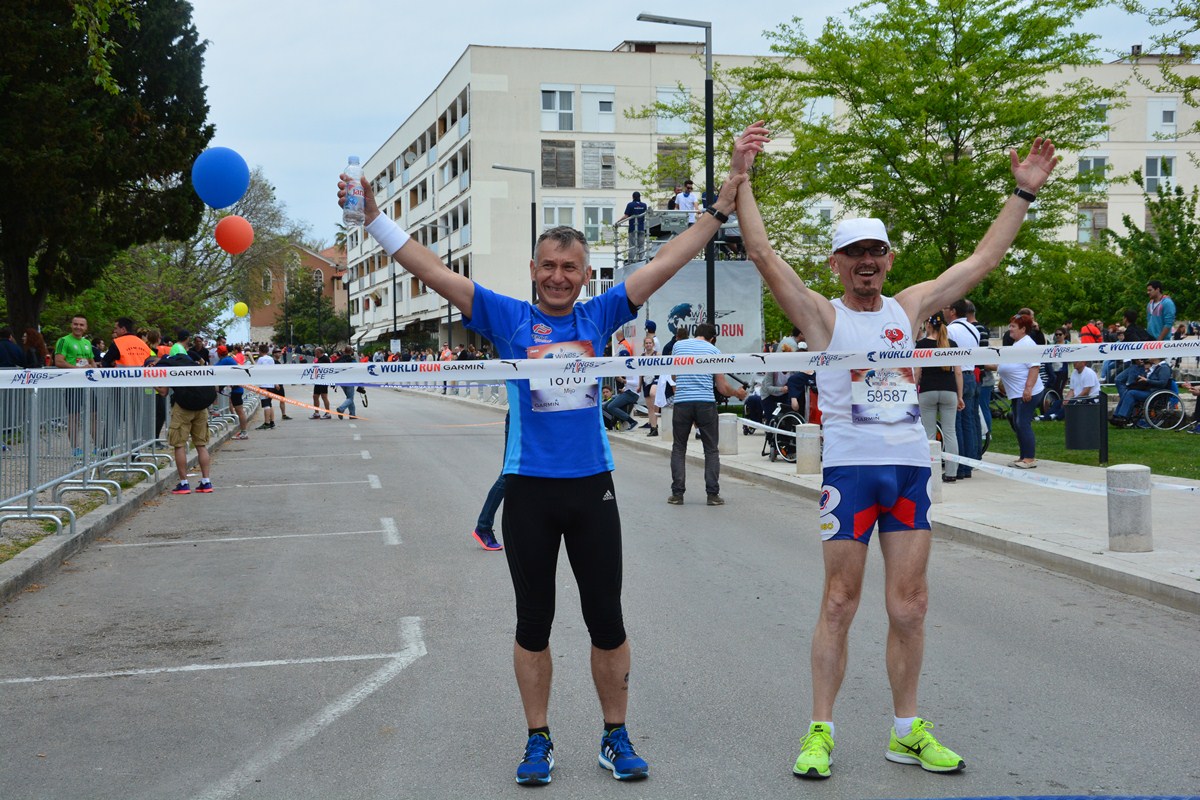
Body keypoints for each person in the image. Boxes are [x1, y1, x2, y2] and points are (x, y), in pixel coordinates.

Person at [341, 160, 745, 787]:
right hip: (529, 489)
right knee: (534, 622)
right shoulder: (507, 318)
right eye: (548, 267)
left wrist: (719, 210)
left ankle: (615, 736)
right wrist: (372, 220)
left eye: (570, 268)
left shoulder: (600, 316)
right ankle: (538, 740)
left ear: (586, 276)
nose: (559, 278)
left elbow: (666, 264)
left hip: (592, 489)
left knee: (606, 619)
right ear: (533, 271)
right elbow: (433, 270)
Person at [733, 120, 1057, 778]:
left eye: (876, 250)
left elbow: (981, 262)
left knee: (910, 604)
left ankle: (905, 730)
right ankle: (820, 731)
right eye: (854, 251)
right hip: (851, 475)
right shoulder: (824, 317)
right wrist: (741, 175)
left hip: (909, 470)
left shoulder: (908, 308)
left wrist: (1022, 194)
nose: (867, 261)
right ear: (836, 263)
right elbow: (764, 255)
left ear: (888, 259)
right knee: (838, 602)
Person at [667, 323, 748, 506]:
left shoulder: (678, 346)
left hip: (682, 401)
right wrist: (737, 393)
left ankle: (677, 494)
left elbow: (673, 377)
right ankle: (712, 495)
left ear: (696, 334)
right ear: (712, 338)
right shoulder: (714, 351)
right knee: (710, 449)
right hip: (705, 402)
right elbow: (721, 387)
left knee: (679, 448)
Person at [914, 313, 962, 483]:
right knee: (950, 432)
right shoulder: (952, 345)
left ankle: (930, 472)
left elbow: (918, 371)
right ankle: (951, 473)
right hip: (949, 391)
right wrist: (960, 395)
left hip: (928, 390)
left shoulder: (921, 345)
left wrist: (914, 389)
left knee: (929, 434)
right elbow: (957, 372)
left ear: (928, 325)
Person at [997, 313, 1046, 467]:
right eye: (1010, 326)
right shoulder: (1018, 344)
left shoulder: (1027, 344)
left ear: (1023, 329)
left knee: (1022, 422)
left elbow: (1034, 367)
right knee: (1017, 422)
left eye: (1013, 326)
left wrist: (1028, 389)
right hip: (1017, 393)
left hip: (1028, 392)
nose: (1010, 329)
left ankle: (1029, 458)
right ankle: (1023, 456)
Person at [943, 300, 981, 478]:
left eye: (946, 308)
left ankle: (957, 466)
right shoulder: (974, 328)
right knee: (969, 423)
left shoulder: (950, 330)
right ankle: (969, 464)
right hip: (971, 375)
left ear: (953, 311)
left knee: (955, 424)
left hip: (957, 377)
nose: (944, 311)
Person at [54, 315, 97, 456]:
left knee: (94, 415)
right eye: (75, 324)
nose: (78, 327)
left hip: (87, 384)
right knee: (74, 417)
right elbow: (59, 361)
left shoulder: (87, 343)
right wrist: (77, 370)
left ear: (86, 328)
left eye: (81, 325)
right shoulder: (64, 341)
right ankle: (76, 448)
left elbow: (92, 362)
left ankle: (97, 447)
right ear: (71, 325)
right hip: (73, 384)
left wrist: (95, 372)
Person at [1110, 356, 1172, 427]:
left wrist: (1147, 380)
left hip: (1154, 393)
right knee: (1127, 392)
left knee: (1131, 393)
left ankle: (1123, 416)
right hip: (1149, 391)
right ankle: (1117, 416)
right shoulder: (1157, 367)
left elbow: (1162, 383)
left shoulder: (1164, 368)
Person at [215, 347, 249, 439]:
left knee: (240, 411)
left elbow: (213, 369)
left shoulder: (225, 360)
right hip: (235, 389)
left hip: (235, 390)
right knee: (240, 411)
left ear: (219, 354)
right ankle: (243, 432)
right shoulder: (229, 359)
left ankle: (244, 432)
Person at [616, 191, 649, 261]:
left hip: (632, 228)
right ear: (640, 197)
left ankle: (630, 260)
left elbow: (626, 216)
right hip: (641, 228)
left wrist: (618, 222)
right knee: (641, 245)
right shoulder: (644, 205)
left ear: (633, 197)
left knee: (632, 246)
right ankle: (642, 259)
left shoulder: (630, 205)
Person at [254, 344, 277, 430]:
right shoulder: (271, 359)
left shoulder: (260, 359)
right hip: (270, 383)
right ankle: (272, 422)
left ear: (260, 351)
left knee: (266, 404)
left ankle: (266, 423)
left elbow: (257, 370)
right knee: (269, 403)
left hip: (264, 384)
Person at [310, 347, 332, 419]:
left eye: (315, 352)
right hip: (318, 380)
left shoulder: (325, 359)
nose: (314, 353)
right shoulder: (318, 359)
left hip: (323, 380)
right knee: (315, 396)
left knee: (324, 396)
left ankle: (328, 413)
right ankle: (316, 413)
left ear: (319, 352)